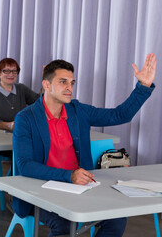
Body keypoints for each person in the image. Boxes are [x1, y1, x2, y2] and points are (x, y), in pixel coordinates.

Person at [12, 54, 157, 236]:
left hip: (79, 186)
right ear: (46, 85)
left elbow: (120, 115)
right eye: (63, 82)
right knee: (64, 223)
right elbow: (25, 166)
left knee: (117, 218)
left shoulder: (77, 111)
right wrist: (69, 176)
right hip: (40, 188)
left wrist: (142, 87)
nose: (69, 88)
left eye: (72, 83)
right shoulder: (25, 118)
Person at [0, 58, 39, 132]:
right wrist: (7, 125)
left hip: (21, 132)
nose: (11, 74)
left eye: (14, 71)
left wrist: (46, 83)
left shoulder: (21, 88)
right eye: (6, 71)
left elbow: (40, 102)